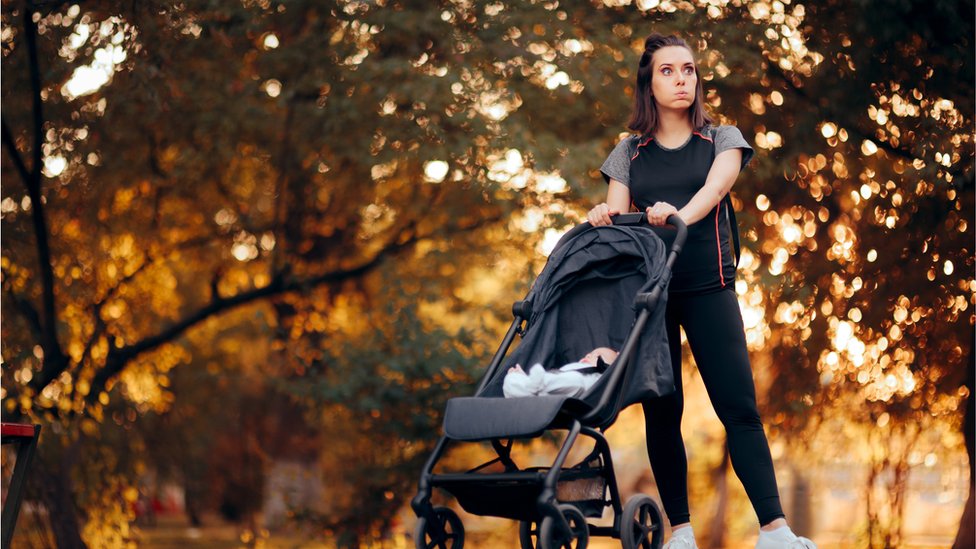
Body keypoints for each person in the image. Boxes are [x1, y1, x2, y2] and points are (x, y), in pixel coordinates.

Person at [587, 33, 816, 549]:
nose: (681, 79)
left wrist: (676, 215)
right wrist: (603, 214)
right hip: (652, 295)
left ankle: (774, 532)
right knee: (662, 412)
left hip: (709, 288)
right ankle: (681, 533)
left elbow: (713, 193)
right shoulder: (628, 152)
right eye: (667, 71)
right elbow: (619, 219)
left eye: (688, 70)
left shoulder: (723, 139)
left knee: (739, 408)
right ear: (649, 82)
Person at [503, 347, 619, 398]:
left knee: (576, 381)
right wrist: (523, 378)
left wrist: (618, 362)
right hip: (545, 394)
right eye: (590, 353)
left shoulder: (599, 378)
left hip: (575, 392)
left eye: (597, 356)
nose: (588, 355)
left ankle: (535, 383)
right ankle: (526, 383)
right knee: (510, 379)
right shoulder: (573, 367)